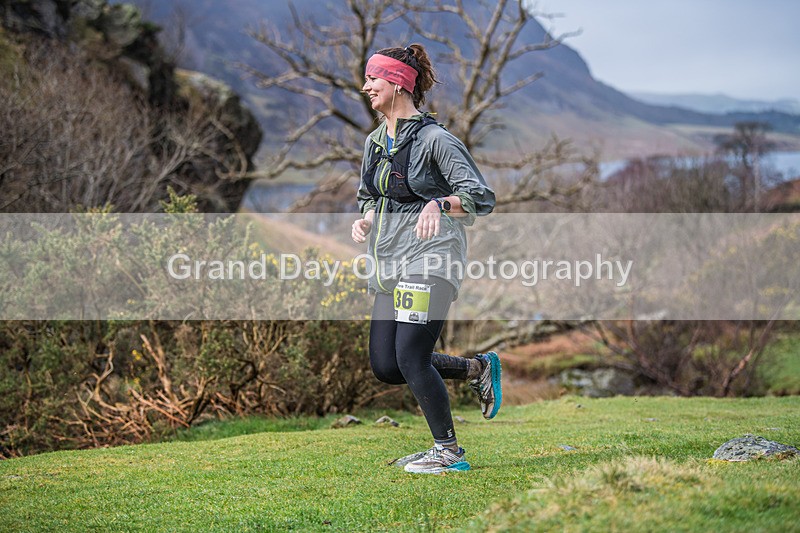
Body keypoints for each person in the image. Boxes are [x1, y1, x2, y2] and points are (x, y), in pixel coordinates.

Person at [351, 44, 501, 474]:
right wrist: (365, 219)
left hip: (432, 260)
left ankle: (449, 452)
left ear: (397, 82)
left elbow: (481, 198)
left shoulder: (437, 141)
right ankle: (477, 369)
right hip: (390, 264)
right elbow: (369, 195)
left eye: (372, 79)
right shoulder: (375, 142)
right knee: (386, 364)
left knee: (412, 356)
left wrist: (439, 203)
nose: (365, 87)